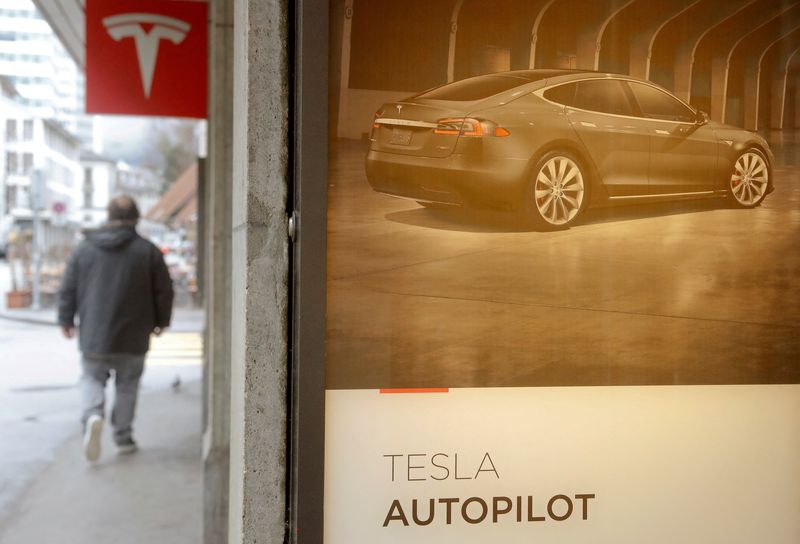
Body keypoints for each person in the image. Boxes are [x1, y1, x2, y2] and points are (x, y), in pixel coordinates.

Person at [58, 195, 174, 462]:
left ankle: (93, 415)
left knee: (91, 378)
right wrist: (161, 322)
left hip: (94, 334)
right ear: (136, 218)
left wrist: (66, 320)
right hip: (134, 336)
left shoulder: (85, 249)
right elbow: (163, 292)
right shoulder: (148, 251)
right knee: (128, 385)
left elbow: (68, 287)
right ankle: (123, 437)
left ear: (108, 217)